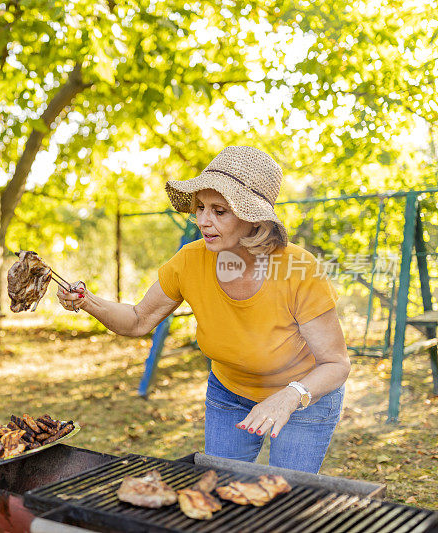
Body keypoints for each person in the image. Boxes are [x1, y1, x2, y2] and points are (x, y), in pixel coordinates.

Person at [57, 146, 350, 474]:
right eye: (200, 208)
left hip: (303, 397)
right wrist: (87, 301)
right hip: (229, 394)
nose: (203, 221)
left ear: (252, 218)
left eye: (219, 211)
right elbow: (139, 320)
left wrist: (292, 395)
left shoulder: (298, 268)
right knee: (221, 494)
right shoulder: (189, 260)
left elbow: (336, 363)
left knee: (288, 498)